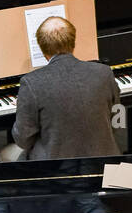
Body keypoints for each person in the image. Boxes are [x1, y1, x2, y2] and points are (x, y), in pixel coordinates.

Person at [6, 14, 120, 162]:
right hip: (103, 162)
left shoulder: (31, 83)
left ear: (42, 49)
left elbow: (22, 140)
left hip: (58, 170)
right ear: (73, 42)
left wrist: (23, 107)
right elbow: (118, 121)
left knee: (6, 154)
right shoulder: (104, 73)